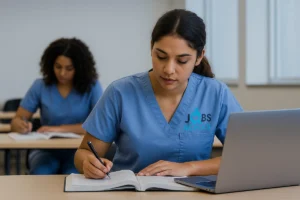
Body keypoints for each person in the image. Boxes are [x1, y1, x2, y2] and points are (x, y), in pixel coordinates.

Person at [74, 9, 243, 179]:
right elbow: (84, 153)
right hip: (129, 193)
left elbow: (244, 155)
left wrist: (189, 168)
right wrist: (88, 164)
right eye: (161, 56)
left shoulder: (215, 93)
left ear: (199, 57)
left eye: (182, 61)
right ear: (151, 48)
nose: (169, 69)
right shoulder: (120, 92)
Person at [11, 38, 103, 175]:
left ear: (80, 67)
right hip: (45, 150)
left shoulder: (92, 87)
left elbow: (98, 126)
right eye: (58, 66)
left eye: (69, 68)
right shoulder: (40, 86)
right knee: (41, 172)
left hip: (79, 151)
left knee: (72, 174)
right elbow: (16, 120)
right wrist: (20, 124)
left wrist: (58, 129)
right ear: (50, 64)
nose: (62, 73)